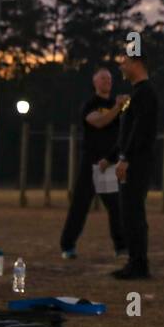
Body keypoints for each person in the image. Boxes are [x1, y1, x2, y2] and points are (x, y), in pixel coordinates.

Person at [60, 66, 127, 260]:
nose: (107, 82)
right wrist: (117, 107)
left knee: (116, 207)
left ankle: (121, 246)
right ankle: (68, 245)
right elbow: (99, 122)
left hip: (111, 161)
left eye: (109, 79)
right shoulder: (90, 105)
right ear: (95, 82)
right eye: (103, 79)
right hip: (92, 161)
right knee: (80, 205)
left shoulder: (119, 107)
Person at [111, 52, 158, 280]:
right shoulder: (139, 94)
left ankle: (138, 263)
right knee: (129, 212)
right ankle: (135, 261)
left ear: (138, 64)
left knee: (132, 212)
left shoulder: (145, 94)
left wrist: (126, 158)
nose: (122, 66)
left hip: (137, 163)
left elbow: (140, 131)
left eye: (126, 62)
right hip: (134, 160)